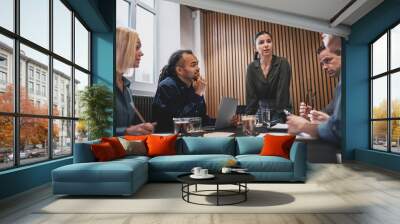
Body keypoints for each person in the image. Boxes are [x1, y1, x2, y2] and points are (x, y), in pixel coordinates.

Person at [286, 44, 341, 145]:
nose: (324, 67)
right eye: (322, 64)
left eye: (328, 60)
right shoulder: (340, 85)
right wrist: (311, 115)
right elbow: (329, 113)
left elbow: (337, 130)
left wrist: (303, 126)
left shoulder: (348, 83)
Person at [152, 50, 215, 133]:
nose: (198, 68)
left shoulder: (194, 87)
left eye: (197, 64)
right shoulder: (167, 86)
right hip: (171, 138)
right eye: (193, 65)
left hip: (190, 135)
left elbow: (202, 118)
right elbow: (180, 122)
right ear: (179, 70)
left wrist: (223, 122)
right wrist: (198, 94)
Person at [115, 27, 155, 136]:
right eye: (136, 47)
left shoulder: (127, 88)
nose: (141, 53)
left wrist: (140, 128)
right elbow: (96, 132)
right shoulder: (103, 85)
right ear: (122, 49)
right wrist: (127, 131)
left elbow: (127, 127)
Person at [245, 31, 292, 123]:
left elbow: (282, 92)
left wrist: (280, 117)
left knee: (277, 134)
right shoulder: (251, 67)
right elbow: (251, 96)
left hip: (280, 110)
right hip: (260, 110)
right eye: (261, 42)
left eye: (268, 41)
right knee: (258, 135)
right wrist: (249, 117)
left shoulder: (282, 63)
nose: (266, 45)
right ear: (256, 48)